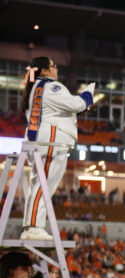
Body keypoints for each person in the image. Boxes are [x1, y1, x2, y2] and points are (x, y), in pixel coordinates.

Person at [19, 56, 94, 240]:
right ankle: (34, 227)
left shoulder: (34, 87)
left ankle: (32, 226)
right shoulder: (52, 86)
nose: (57, 70)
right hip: (52, 139)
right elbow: (78, 105)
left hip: (38, 139)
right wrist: (88, 93)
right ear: (44, 70)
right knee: (44, 184)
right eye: (54, 66)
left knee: (39, 183)